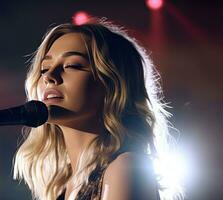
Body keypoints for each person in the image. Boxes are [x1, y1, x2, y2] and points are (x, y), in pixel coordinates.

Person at [13, 18, 183, 200]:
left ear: (113, 84)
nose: (49, 76)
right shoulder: (63, 186)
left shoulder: (126, 169)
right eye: (44, 68)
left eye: (73, 65)